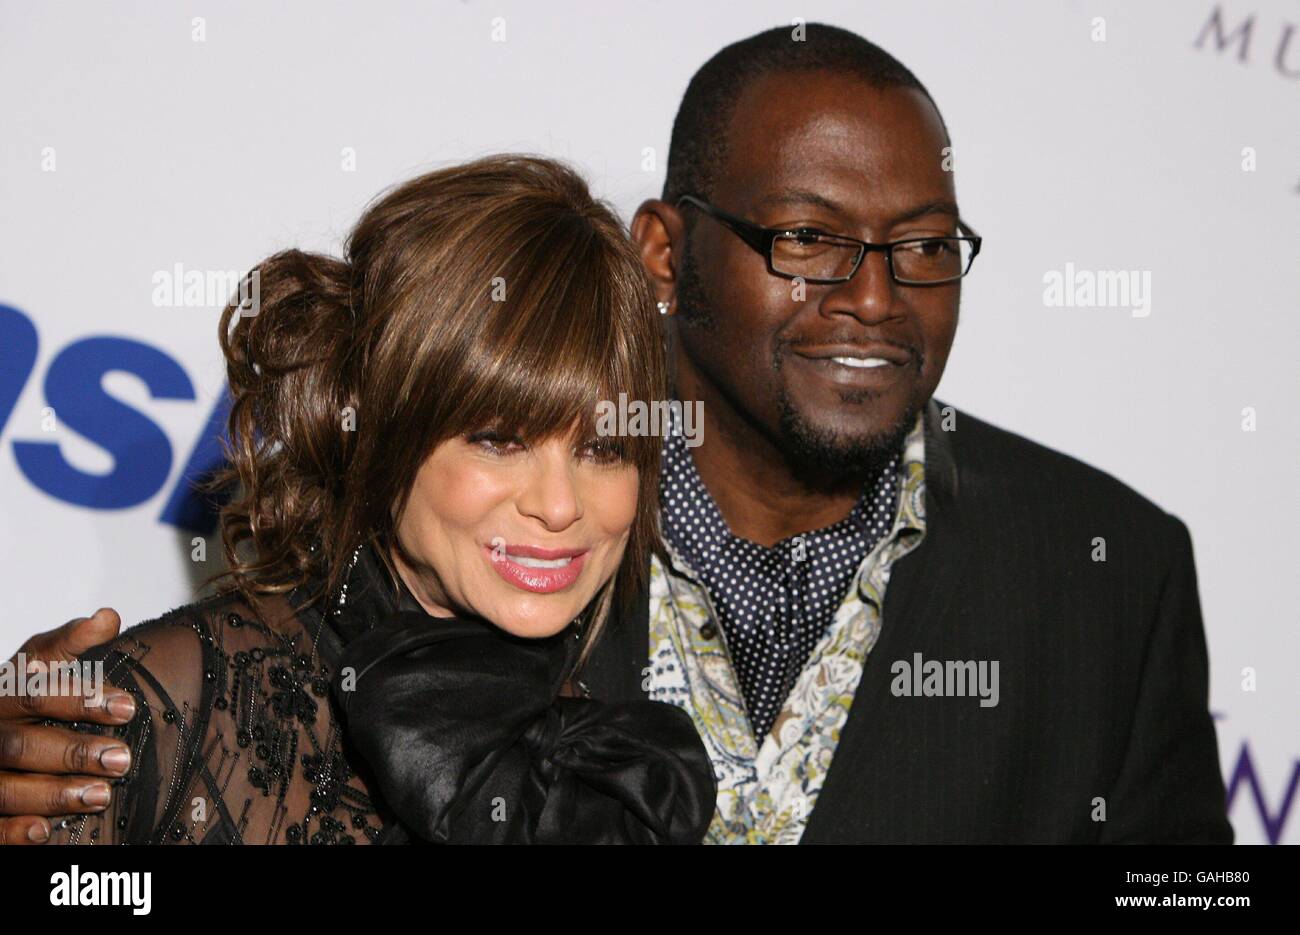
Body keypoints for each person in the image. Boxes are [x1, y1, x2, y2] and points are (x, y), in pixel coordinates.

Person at [0, 23, 1230, 845]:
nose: (871, 296)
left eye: (919, 246)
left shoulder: (1105, 567)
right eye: (806, 237)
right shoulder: (441, 617)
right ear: (666, 251)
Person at [0, 154, 716, 845]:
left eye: (603, 449)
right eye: (498, 439)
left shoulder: (609, 765)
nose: (560, 505)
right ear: (375, 426)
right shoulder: (153, 713)